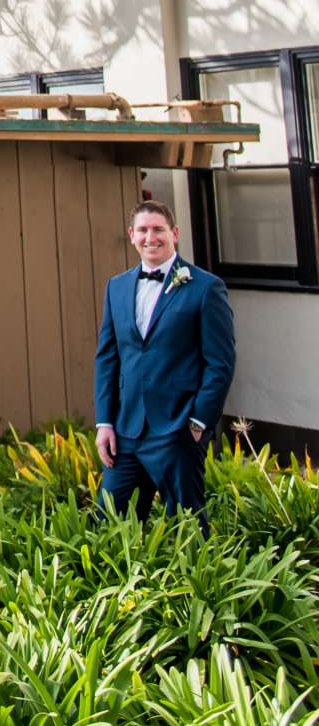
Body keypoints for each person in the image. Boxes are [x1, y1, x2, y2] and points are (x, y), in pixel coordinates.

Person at [95, 196, 235, 528]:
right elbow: (107, 358)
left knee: (186, 526)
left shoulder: (205, 287)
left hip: (178, 429)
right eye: (142, 230)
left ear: (175, 232)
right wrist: (105, 422)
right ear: (131, 235)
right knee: (109, 523)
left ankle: (196, 579)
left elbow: (221, 362)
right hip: (126, 430)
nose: (150, 237)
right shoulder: (116, 287)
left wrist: (199, 422)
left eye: (158, 229)